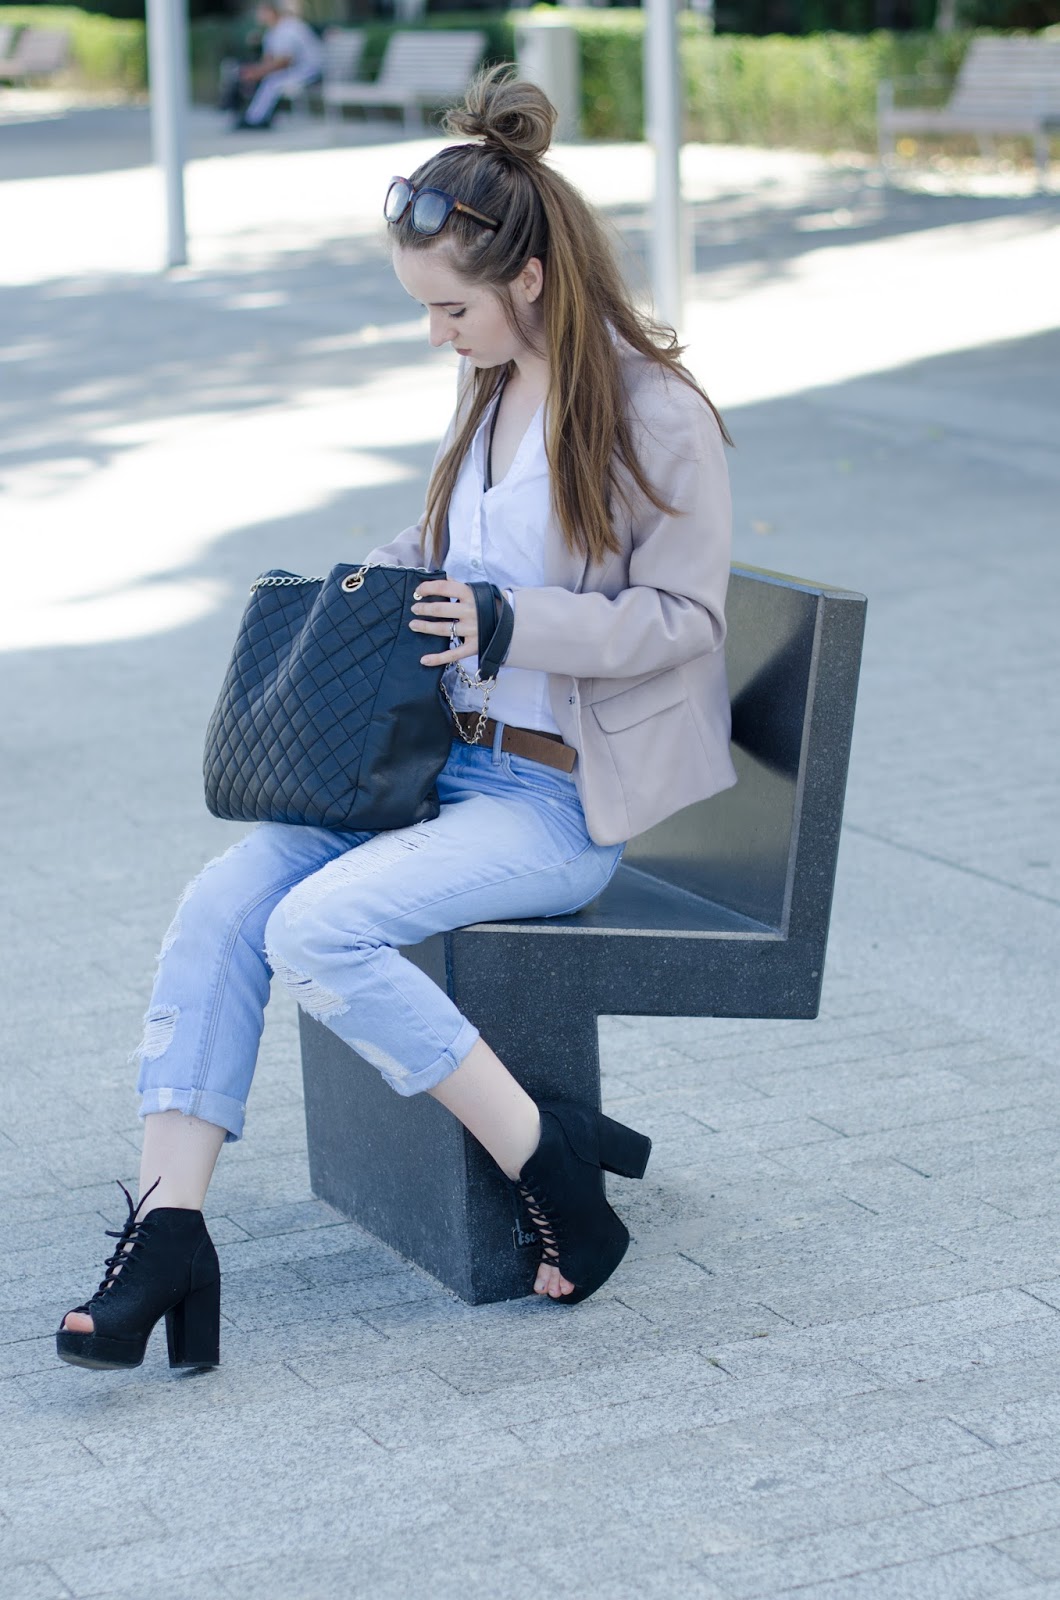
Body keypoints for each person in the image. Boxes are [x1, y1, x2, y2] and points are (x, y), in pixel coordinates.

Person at [56, 68, 737, 1374]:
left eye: (450, 309)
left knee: (317, 928)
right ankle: (167, 1232)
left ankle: (551, 1168)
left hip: (552, 800)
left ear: (529, 278)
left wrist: (509, 623)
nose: (436, 335)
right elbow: (448, 549)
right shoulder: (491, 386)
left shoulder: (656, 413)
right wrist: (368, 585)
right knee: (221, 905)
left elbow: (687, 622)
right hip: (429, 778)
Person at [220, 2, 324, 131]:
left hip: (310, 72)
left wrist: (257, 73)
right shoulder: (272, 31)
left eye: (262, 12)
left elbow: (284, 62)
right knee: (253, 75)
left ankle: (256, 119)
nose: (258, 16)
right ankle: (250, 115)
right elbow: (268, 59)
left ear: (272, 12)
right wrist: (254, 71)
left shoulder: (289, 28)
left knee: (272, 81)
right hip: (293, 71)